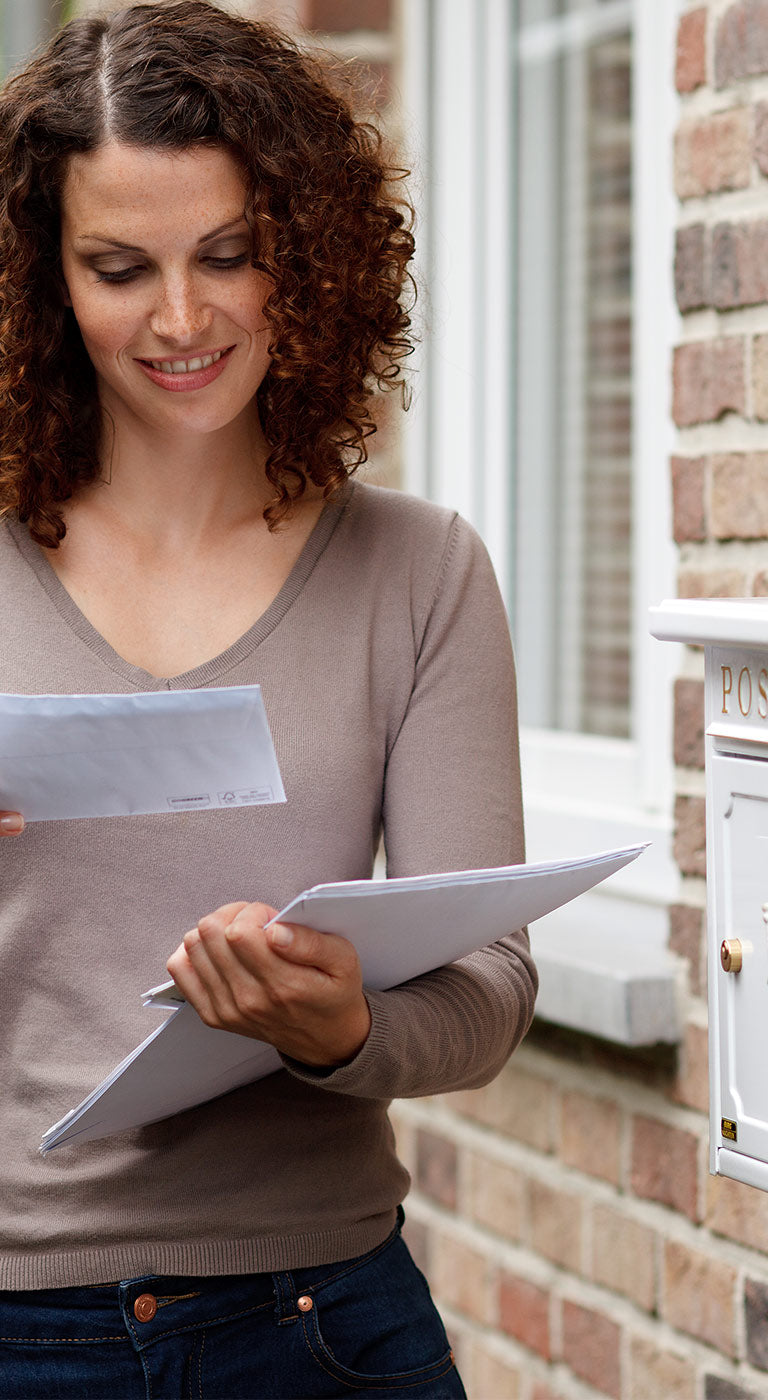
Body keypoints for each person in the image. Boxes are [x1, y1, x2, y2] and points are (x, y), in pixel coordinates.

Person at [0, 2, 535, 1394]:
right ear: (46, 281)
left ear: (306, 257)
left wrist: (334, 1027)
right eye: (121, 268)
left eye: (227, 257)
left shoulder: (418, 574)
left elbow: (485, 992)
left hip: (320, 1325)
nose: (181, 320)